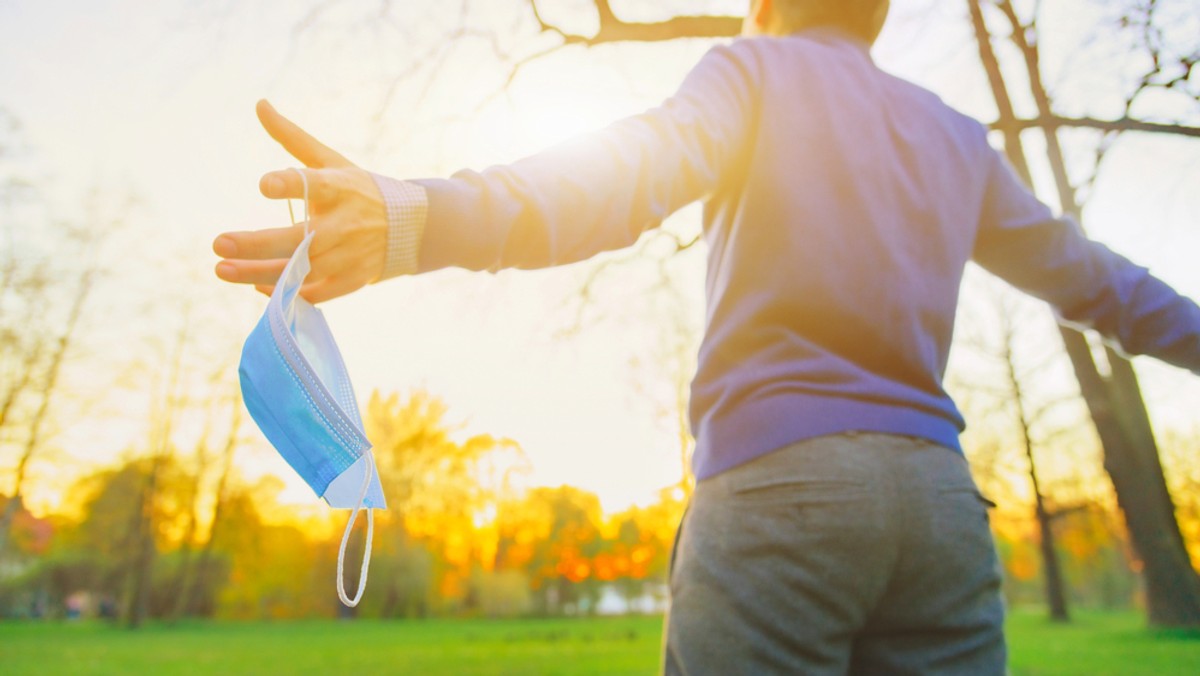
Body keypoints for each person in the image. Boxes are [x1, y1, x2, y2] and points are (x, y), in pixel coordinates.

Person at [214, 0, 1200, 673]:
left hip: (782, 495)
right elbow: (1100, 282)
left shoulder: (752, 73)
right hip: (940, 507)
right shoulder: (951, 133)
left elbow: (616, 180)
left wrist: (422, 216)